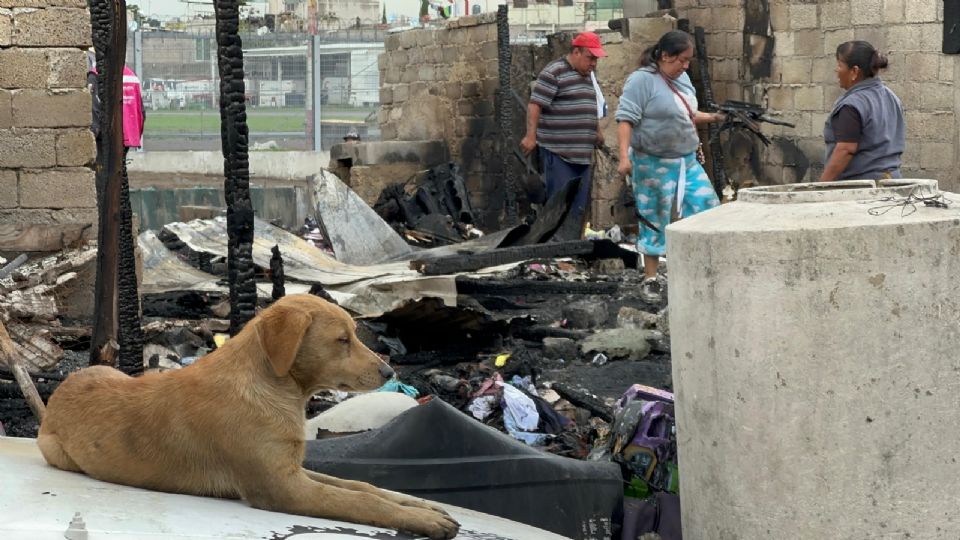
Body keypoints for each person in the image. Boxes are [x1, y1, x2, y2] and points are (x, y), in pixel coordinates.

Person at [615, 30, 726, 303]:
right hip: (651, 162)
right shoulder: (641, 81)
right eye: (682, 60)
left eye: (689, 61)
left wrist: (714, 116)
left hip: (685, 160)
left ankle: (699, 272)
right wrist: (624, 157)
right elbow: (626, 119)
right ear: (665, 56)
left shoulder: (683, 79)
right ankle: (651, 279)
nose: (686, 66)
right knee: (654, 217)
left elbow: (686, 114)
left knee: (706, 208)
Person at [520, 31, 607, 240]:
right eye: (590, 57)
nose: (594, 63)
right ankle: (558, 252)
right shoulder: (554, 72)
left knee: (578, 207)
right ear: (576, 52)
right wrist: (531, 136)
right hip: (559, 154)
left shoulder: (587, 76)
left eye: (596, 59)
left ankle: (573, 249)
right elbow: (535, 105)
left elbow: (590, 106)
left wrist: (597, 131)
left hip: (583, 155)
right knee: (559, 205)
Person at [820, 41, 905, 181]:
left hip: (860, 188)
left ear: (854, 71)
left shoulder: (852, 104)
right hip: (891, 182)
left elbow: (846, 150)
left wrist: (821, 187)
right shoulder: (891, 97)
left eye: (840, 65)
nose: (836, 70)